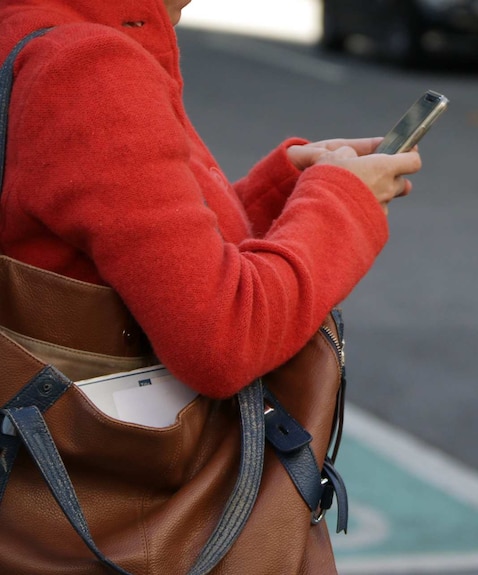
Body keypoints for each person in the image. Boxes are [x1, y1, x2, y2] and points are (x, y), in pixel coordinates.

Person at [0, 0, 422, 398]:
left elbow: (125, 243)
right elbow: (223, 339)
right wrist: (342, 203)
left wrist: (283, 194)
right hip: (99, 463)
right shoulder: (90, 68)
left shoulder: (27, 30)